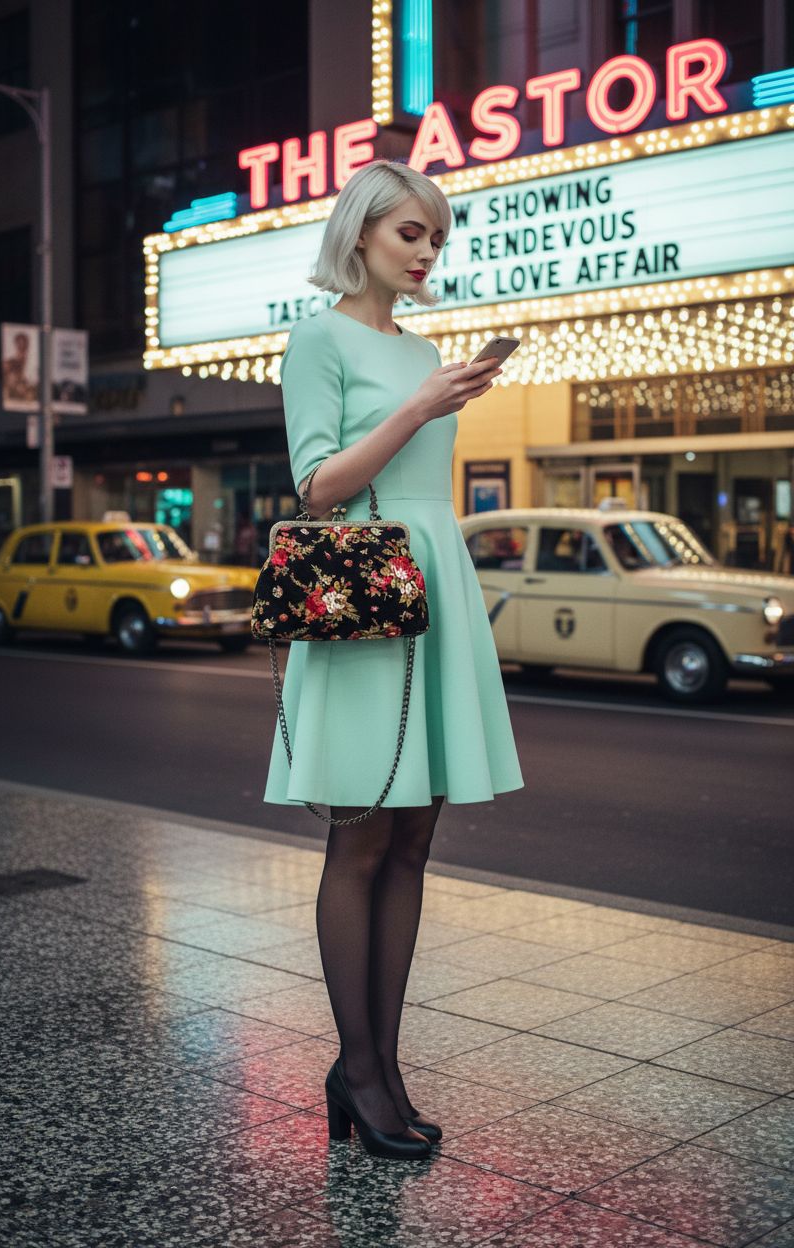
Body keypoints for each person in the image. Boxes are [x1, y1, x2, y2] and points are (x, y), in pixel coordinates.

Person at [262, 158, 525, 1160]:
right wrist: (420, 408)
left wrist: (433, 388)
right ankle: (357, 1069)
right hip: (365, 594)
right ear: (362, 234)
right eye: (410, 234)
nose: (426, 253)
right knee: (363, 838)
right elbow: (316, 486)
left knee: (414, 840)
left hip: (437, 584)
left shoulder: (425, 350)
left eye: (437, 239)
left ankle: (381, 1064)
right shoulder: (317, 338)